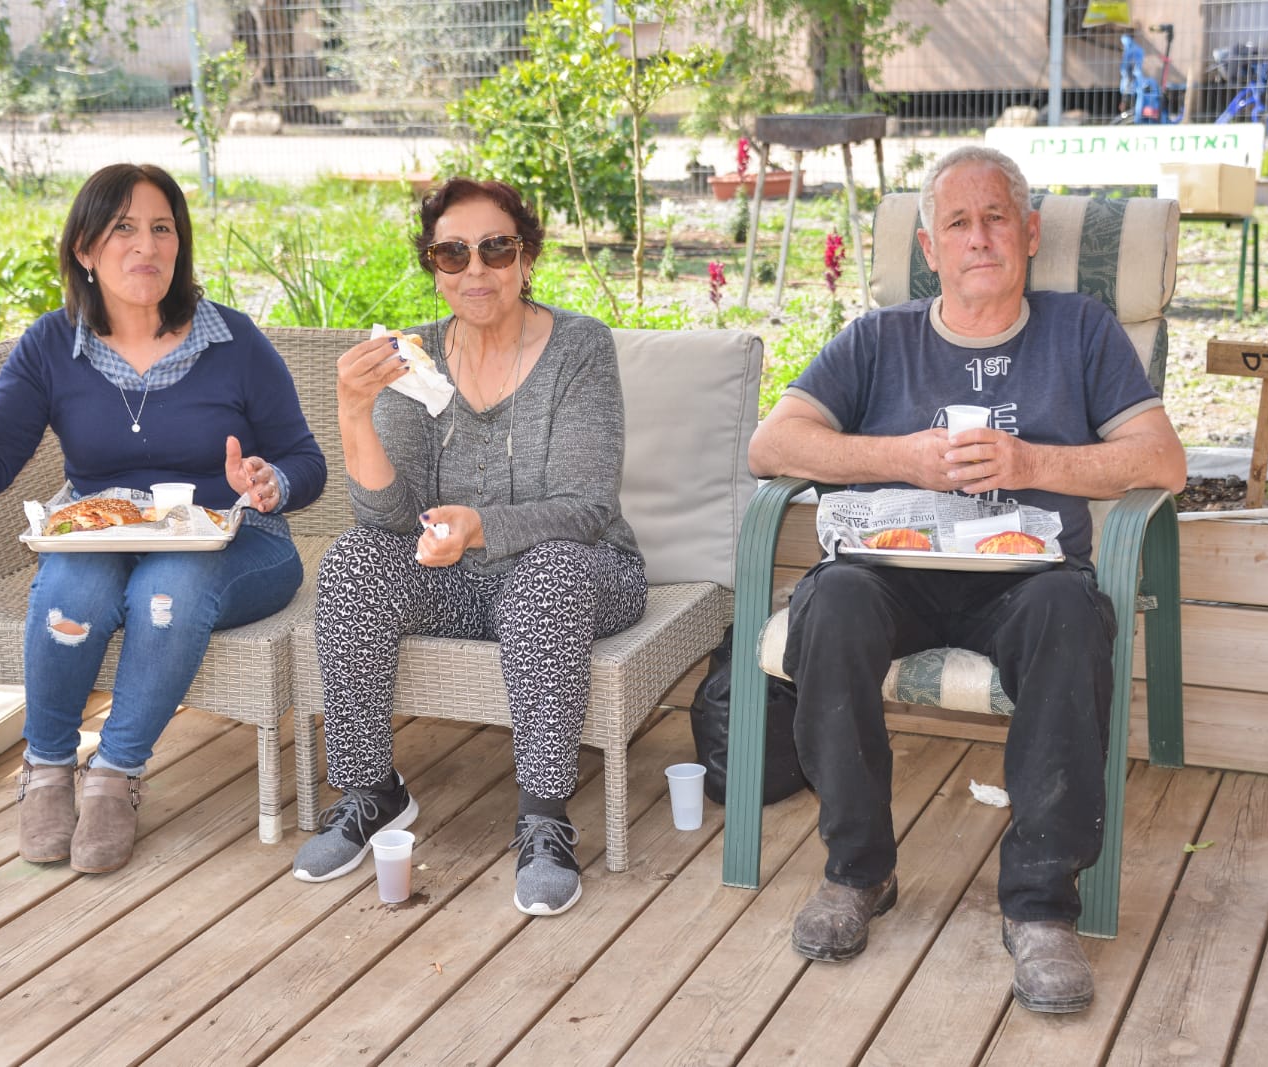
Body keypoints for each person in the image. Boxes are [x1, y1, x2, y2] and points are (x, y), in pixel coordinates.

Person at [748, 146, 1186, 1012]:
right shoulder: (879, 338)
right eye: (958, 222)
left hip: (1026, 579)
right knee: (826, 602)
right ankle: (857, 870)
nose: (979, 237)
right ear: (929, 245)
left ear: (1028, 232)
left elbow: (1161, 460)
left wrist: (1029, 459)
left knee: (1071, 613)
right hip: (894, 570)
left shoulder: (1083, 328)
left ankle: (1039, 906)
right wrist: (902, 456)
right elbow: (772, 445)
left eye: (996, 218)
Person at [0, 163, 326, 874]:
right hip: (101, 534)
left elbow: (305, 461)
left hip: (238, 541)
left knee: (172, 585)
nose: (147, 246)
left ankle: (114, 772)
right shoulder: (51, 345)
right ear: (84, 250)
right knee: (72, 585)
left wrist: (268, 481)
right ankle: (44, 768)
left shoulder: (234, 341)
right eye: (123, 229)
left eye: (162, 228)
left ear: (180, 243)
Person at [291, 178, 647, 917]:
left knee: (547, 575)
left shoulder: (578, 346)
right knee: (355, 560)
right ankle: (371, 791)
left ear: (526, 257)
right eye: (453, 253)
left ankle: (545, 819)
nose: (475, 269)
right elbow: (387, 515)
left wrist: (480, 526)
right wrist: (355, 411)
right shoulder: (415, 359)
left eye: (497, 248)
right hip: (458, 581)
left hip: (582, 570)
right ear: (432, 264)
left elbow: (588, 507)